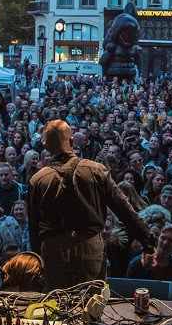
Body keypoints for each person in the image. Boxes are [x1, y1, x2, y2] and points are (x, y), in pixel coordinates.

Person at [28, 119, 155, 289]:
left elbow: (33, 226)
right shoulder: (96, 170)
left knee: (55, 306)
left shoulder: (37, 180)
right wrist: (147, 243)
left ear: (45, 145)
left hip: (54, 250)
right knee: (92, 305)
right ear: (72, 141)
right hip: (89, 246)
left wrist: (38, 258)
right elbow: (124, 210)